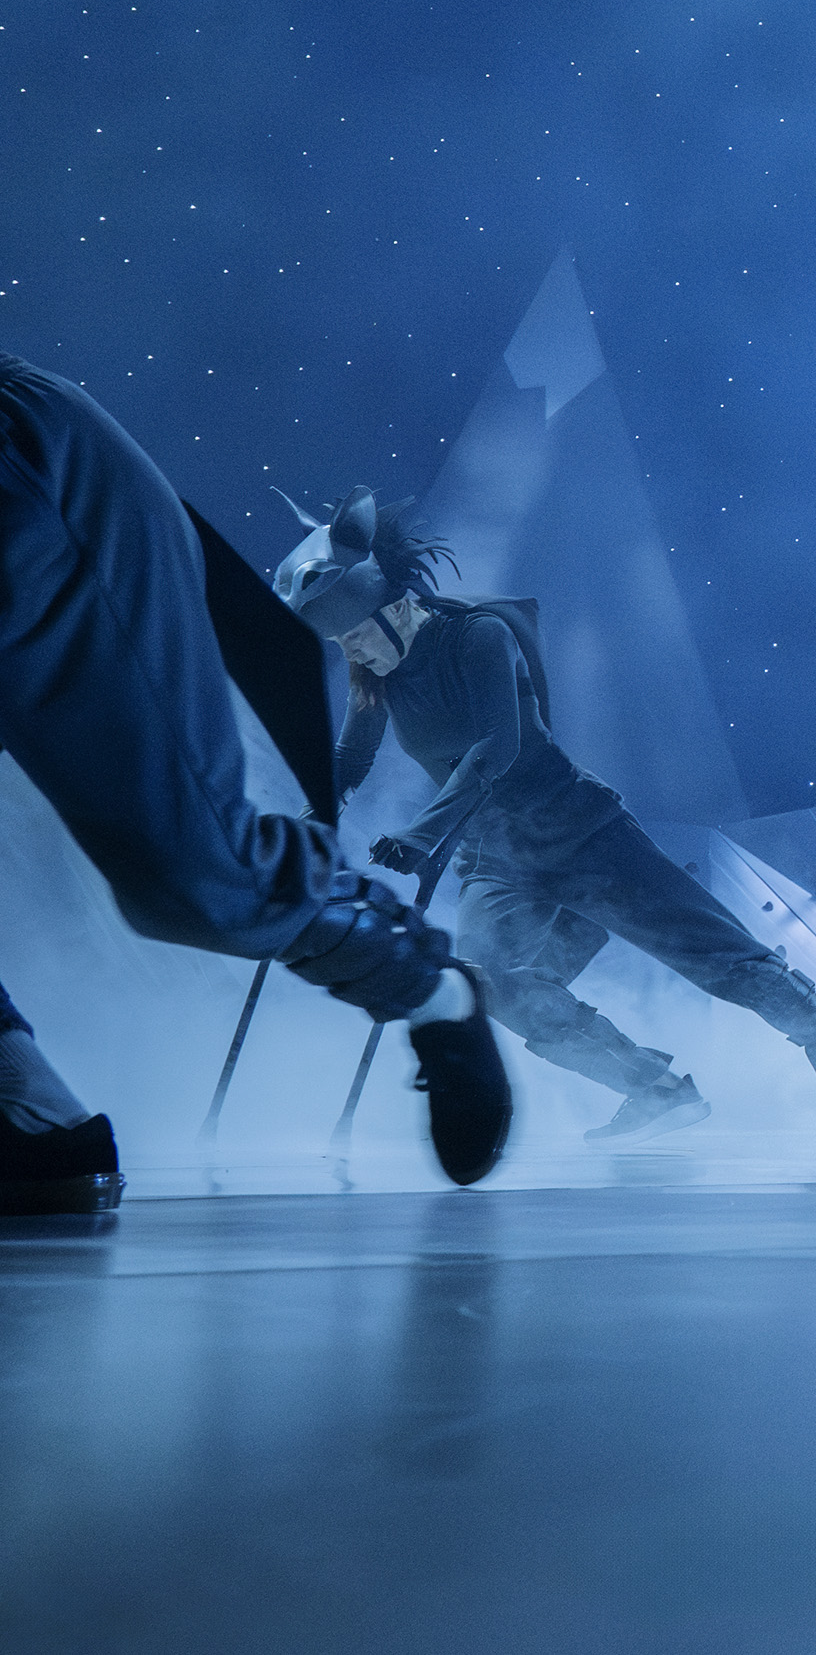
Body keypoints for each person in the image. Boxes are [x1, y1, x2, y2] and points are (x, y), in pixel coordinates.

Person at [0, 356, 508, 1210]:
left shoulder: (461, 647)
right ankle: (25, 1107)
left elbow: (481, 743)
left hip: (28, 483)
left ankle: (432, 990)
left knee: (195, 873)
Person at [278, 490, 816, 1141]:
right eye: (341, 643)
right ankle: (656, 1089)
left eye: (355, 635)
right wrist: (314, 816)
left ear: (396, 608)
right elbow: (351, 757)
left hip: (580, 830)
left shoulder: (478, 637)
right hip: (496, 856)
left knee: (721, 958)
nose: (353, 653)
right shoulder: (377, 677)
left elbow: (498, 745)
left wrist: (422, 832)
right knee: (489, 981)